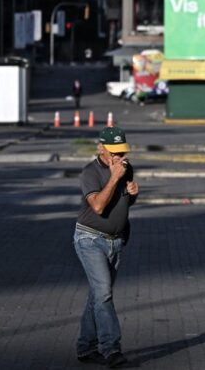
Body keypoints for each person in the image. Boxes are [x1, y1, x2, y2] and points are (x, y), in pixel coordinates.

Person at [73, 126, 139, 368]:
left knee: (97, 295)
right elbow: (99, 207)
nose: (119, 158)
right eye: (114, 152)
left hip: (115, 240)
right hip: (89, 239)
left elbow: (122, 203)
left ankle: (85, 347)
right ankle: (111, 349)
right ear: (100, 148)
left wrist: (132, 194)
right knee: (103, 293)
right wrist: (114, 177)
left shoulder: (126, 167)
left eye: (122, 152)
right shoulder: (89, 173)